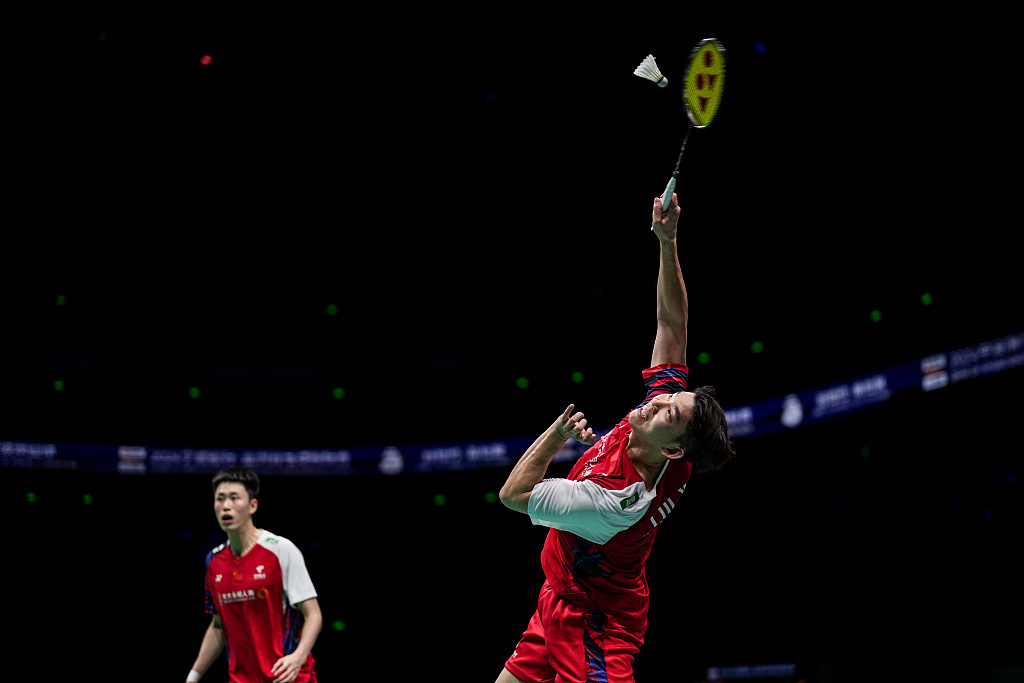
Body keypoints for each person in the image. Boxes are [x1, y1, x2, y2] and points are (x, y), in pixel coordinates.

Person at [495, 192, 735, 683]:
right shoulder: (664, 435)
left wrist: (557, 434)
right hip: (562, 597)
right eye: (671, 396)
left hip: (596, 623)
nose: (658, 401)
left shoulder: (620, 498)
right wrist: (668, 241)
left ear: (673, 449)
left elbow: (513, 495)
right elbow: (672, 323)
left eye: (669, 411)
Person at [185, 467, 323, 683]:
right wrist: (193, 677)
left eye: (234, 498)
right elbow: (218, 625)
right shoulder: (213, 561)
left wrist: (298, 657)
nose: (226, 506)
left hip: (288, 678)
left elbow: (313, 615)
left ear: (252, 506)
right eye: (220, 499)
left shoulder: (280, 549)